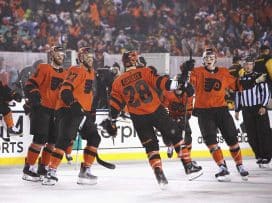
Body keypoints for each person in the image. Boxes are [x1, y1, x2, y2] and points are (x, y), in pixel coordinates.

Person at [102, 51, 203, 189]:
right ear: (135, 61)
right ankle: (188, 165)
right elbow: (164, 84)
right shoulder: (145, 71)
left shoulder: (117, 82)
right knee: (176, 136)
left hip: (138, 119)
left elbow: (114, 107)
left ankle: (159, 173)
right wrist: (181, 82)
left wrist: (112, 121)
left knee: (151, 147)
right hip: (156, 111)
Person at [186, 48, 249, 182]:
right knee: (211, 141)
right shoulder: (197, 72)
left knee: (232, 138)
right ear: (203, 60)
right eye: (206, 58)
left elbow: (236, 85)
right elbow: (188, 83)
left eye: (211, 58)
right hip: (204, 112)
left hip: (221, 110)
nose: (208, 60)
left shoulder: (224, 72)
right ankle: (222, 167)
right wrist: (186, 70)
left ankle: (240, 165)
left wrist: (250, 81)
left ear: (215, 59)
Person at [42, 47, 101, 186]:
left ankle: (85, 170)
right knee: (64, 139)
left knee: (94, 137)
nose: (90, 59)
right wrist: (74, 105)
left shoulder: (92, 72)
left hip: (82, 112)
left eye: (92, 56)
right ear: (80, 58)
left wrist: (90, 112)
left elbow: (88, 95)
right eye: (87, 56)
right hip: (68, 109)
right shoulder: (76, 70)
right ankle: (50, 172)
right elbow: (65, 90)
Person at [22, 46, 66, 181]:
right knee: (39, 140)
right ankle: (28, 168)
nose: (61, 57)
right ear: (52, 55)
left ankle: (43, 167)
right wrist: (34, 96)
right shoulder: (44, 68)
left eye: (62, 55)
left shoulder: (66, 73)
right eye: (58, 54)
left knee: (53, 141)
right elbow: (30, 84)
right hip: (42, 109)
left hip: (56, 111)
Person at [235, 56, 272, 167]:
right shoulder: (240, 79)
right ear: (243, 65)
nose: (248, 66)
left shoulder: (259, 76)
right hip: (246, 110)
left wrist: (263, 106)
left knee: (263, 133)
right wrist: (237, 109)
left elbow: (266, 92)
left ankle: (267, 156)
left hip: (258, 108)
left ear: (253, 65)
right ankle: (259, 156)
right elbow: (238, 94)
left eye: (250, 63)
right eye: (246, 63)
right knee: (251, 135)